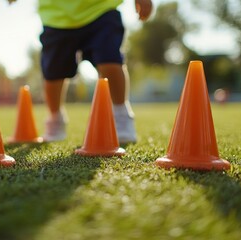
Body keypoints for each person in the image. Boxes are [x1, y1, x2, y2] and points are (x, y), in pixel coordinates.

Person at [9, 0, 153, 143]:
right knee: (53, 75)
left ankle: (121, 117)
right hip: (57, 18)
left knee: (110, 61)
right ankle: (55, 119)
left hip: (101, 9)